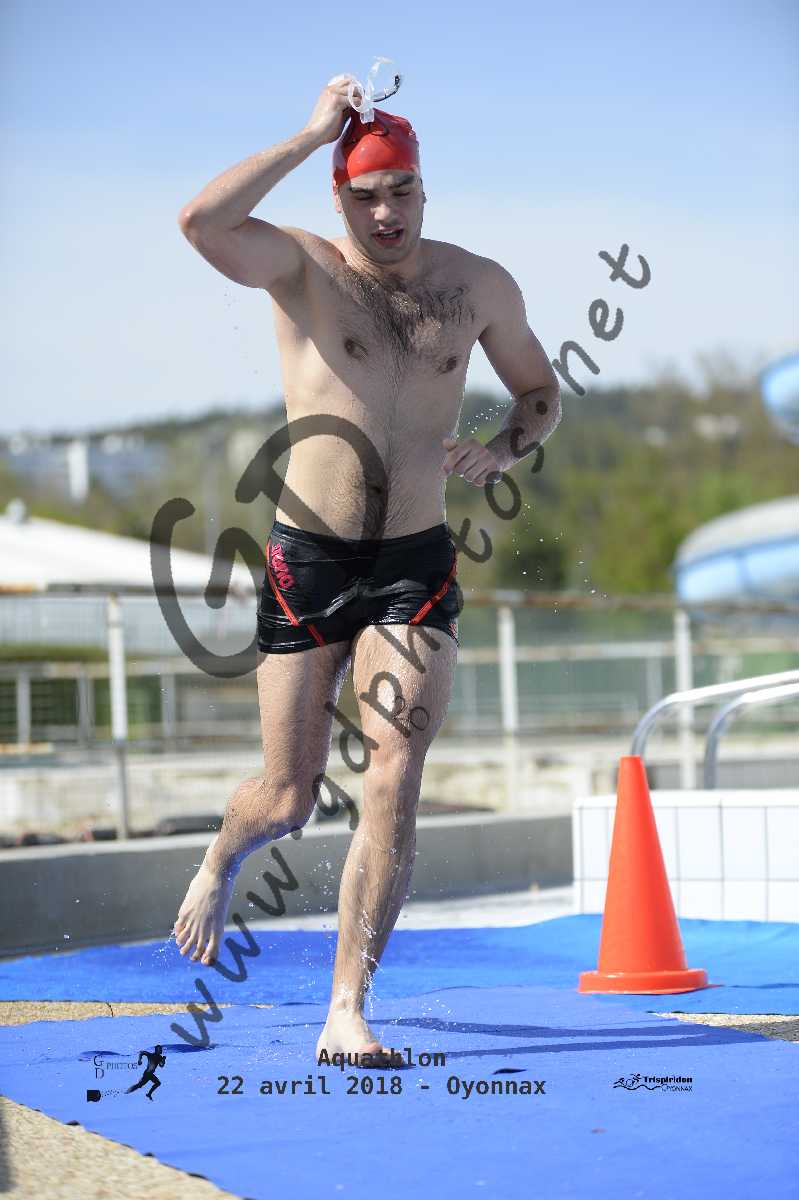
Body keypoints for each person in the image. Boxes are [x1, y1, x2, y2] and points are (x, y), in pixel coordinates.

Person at [173, 74, 562, 1065]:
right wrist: (312, 133)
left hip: (413, 563)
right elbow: (202, 222)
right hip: (308, 558)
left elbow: (539, 393)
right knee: (287, 798)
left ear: (425, 189)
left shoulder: (478, 285)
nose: (386, 213)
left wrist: (504, 448)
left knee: (394, 773)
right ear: (337, 199)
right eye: (366, 196)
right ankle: (222, 856)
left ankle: (346, 1007)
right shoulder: (303, 267)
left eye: (402, 191)